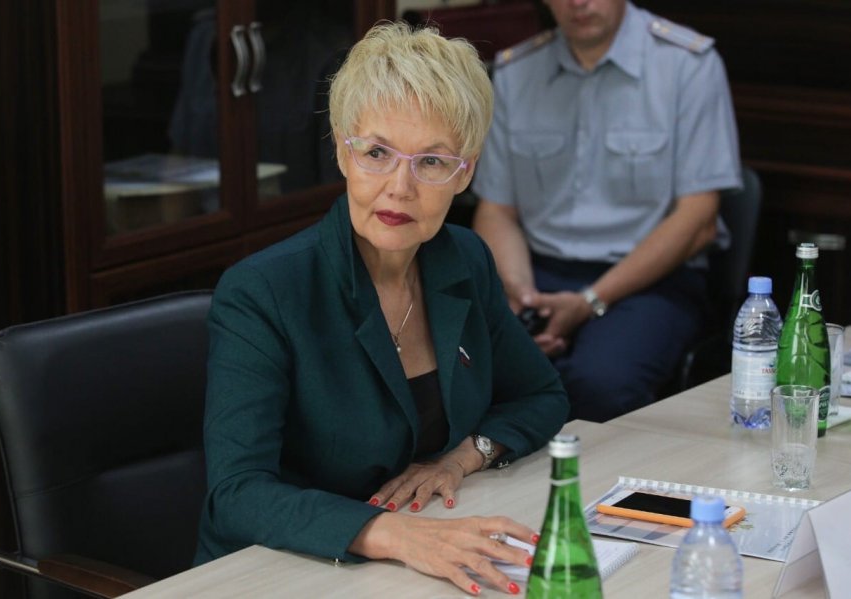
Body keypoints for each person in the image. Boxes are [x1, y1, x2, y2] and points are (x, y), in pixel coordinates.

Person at [193, 22, 569, 596]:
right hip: (279, 572)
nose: (400, 187)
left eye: (432, 162)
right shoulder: (263, 291)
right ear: (342, 153)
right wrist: (396, 535)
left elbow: (541, 396)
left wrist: (461, 459)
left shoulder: (464, 258)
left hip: (411, 563)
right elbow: (237, 494)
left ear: (465, 172)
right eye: (376, 153)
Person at [472, 0, 742, 422]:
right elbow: (496, 210)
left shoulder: (687, 64)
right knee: (471, 371)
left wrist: (589, 301)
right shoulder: (516, 71)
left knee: (600, 385)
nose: (577, 3)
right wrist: (522, 300)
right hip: (536, 272)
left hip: (649, 280)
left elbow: (698, 220)